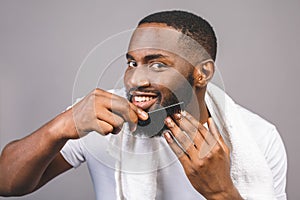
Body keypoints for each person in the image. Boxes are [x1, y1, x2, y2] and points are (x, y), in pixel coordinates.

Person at [0, 10, 287, 200]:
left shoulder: (259, 137)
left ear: (203, 73)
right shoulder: (99, 117)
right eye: (131, 63)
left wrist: (222, 192)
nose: (135, 79)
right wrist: (60, 127)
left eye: (158, 64)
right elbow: (7, 184)